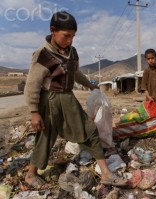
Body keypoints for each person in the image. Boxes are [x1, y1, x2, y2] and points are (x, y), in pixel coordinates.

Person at [24, 11, 127, 189]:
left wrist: (90, 85)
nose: (70, 40)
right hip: (49, 101)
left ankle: (106, 174)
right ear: (53, 30)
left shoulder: (71, 52)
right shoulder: (42, 55)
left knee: (89, 129)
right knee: (46, 137)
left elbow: (75, 72)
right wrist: (34, 112)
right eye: (66, 36)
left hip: (68, 99)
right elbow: (32, 84)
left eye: (73, 36)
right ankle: (30, 175)